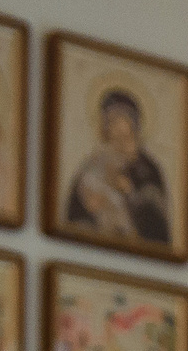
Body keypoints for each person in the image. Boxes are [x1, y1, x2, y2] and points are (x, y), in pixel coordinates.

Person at [65, 89, 175, 246]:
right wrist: (89, 207)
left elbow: (157, 221)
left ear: (133, 125)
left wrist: (130, 192)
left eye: (120, 120)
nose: (115, 127)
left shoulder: (147, 168)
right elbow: (73, 217)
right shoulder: (93, 163)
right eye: (110, 121)